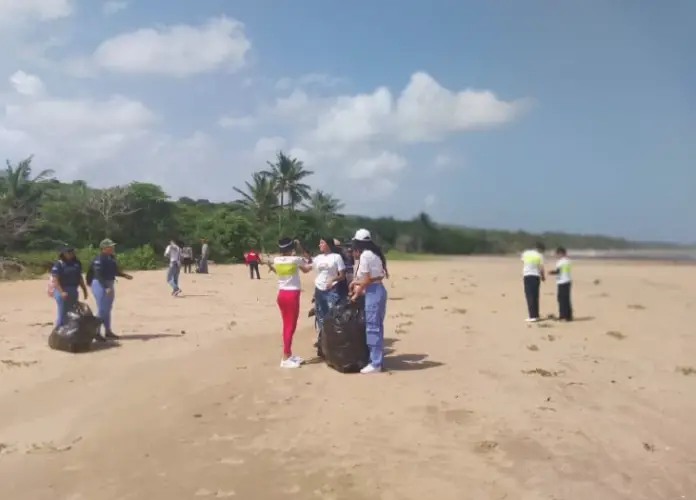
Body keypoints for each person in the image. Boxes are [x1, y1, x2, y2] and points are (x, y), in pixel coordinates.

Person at [269, 238, 312, 368]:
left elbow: (276, 270)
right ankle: (286, 357)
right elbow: (308, 263)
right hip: (292, 295)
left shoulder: (276, 260)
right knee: (290, 326)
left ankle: (289, 354)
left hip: (281, 294)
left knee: (287, 324)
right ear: (290, 248)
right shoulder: (295, 260)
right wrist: (300, 247)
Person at [350, 229, 387, 374]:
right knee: (377, 326)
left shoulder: (365, 255)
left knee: (372, 327)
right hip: (379, 290)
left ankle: (375, 363)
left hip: (372, 292)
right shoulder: (375, 254)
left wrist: (356, 290)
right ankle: (377, 359)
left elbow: (365, 280)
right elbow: (379, 276)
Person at [303, 237, 345, 352]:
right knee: (320, 315)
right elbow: (307, 269)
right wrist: (296, 263)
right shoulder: (318, 258)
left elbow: (342, 275)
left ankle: (334, 340)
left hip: (331, 290)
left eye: (322, 243)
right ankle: (323, 340)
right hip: (319, 289)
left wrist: (333, 280)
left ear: (328, 244)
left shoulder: (336, 257)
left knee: (332, 314)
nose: (319, 245)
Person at [86, 238, 133, 340]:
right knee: (102, 309)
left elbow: (114, 271)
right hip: (99, 283)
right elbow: (98, 274)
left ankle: (108, 331)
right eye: (110, 246)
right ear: (104, 248)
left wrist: (124, 275)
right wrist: (106, 287)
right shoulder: (99, 258)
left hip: (108, 283)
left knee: (107, 309)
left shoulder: (110, 257)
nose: (113, 247)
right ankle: (96, 333)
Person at [50, 246, 88, 327]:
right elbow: (55, 280)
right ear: (63, 253)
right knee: (62, 313)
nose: (71, 254)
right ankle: (58, 332)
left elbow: (79, 278)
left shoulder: (76, 263)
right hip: (62, 289)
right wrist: (61, 292)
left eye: (72, 252)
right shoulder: (59, 264)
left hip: (73, 289)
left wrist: (84, 290)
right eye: (68, 252)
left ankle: (69, 332)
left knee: (72, 312)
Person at [521, 242, 546, 322]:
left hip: (527, 275)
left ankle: (532, 316)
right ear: (540, 249)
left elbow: (524, 263)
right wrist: (543, 277)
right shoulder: (540, 256)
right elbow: (541, 268)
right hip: (536, 276)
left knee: (529, 296)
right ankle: (536, 314)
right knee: (535, 296)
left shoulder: (526, 253)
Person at [549, 247, 573, 321]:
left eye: (557, 254)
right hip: (568, 281)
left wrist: (551, 272)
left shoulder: (561, 262)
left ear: (561, 253)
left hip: (562, 281)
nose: (556, 255)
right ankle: (568, 316)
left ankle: (563, 316)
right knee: (567, 299)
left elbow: (558, 271)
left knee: (562, 300)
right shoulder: (568, 261)